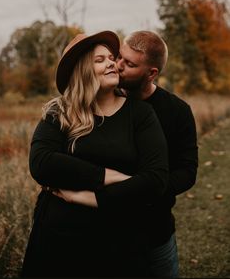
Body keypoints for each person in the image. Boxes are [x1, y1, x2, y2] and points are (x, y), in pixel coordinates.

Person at [21, 30, 169, 278]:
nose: (112, 63)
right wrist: (106, 176)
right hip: (61, 240)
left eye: (111, 58)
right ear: (82, 71)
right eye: (99, 60)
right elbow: (42, 163)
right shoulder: (60, 112)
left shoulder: (140, 114)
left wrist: (90, 198)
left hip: (119, 239)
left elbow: (156, 180)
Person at [116, 30, 198, 278]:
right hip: (107, 230)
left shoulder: (177, 111)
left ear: (151, 73)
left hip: (155, 231)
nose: (118, 66)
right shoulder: (104, 100)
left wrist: (148, 190)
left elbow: (187, 171)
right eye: (119, 57)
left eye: (129, 64)